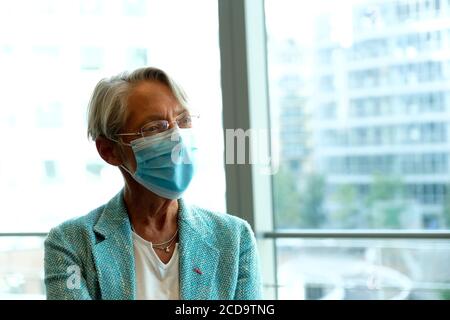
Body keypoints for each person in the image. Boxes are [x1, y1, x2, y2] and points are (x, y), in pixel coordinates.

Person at [44, 67, 262, 300]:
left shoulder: (234, 238)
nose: (177, 137)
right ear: (109, 151)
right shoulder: (71, 243)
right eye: (154, 127)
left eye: (183, 120)